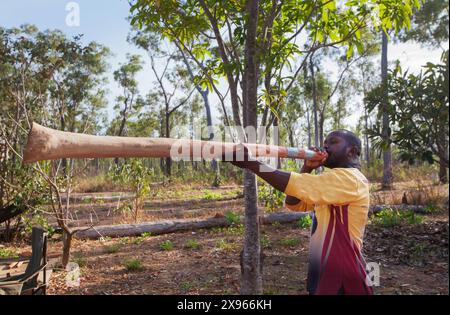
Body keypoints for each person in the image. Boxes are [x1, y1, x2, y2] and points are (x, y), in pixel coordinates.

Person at [226, 130, 373, 295]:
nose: (325, 146)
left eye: (333, 142)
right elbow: (293, 202)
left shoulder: (351, 179)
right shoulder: (334, 180)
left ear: (351, 151)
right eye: (325, 142)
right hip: (325, 271)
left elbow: (293, 183)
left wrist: (251, 163)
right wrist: (307, 168)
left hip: (343, 276)